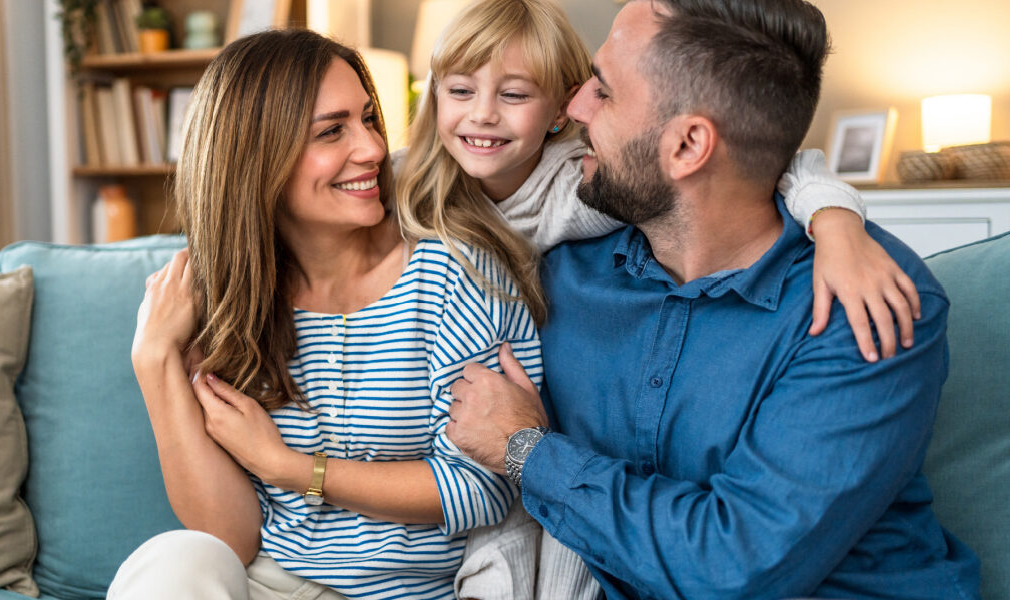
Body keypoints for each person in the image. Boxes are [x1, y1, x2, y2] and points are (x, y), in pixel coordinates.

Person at [447, 0, 982, 598]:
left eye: (605, 92)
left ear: (688, 146)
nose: (575, 108)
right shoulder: (562, 266)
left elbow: (733, 569)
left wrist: (526, 452)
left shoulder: (863, 304)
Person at [110, 29, 541, 600]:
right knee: (175, 561)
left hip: (408, 592)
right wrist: (153, 359)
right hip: (269, 581)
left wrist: (288, 467)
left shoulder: (453, 275)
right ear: (256, 157)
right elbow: (228, 537)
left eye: (368, 119)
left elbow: (482, 490)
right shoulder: (227, 297)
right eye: (332, 131)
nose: (372, 149)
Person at [397, 0, 921, 362]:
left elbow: (776, 164)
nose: (482, 115)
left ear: (558, 110)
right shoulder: (407, 182)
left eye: (513, 95)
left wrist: (836, 226)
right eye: (460, 91)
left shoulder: (586, 186)